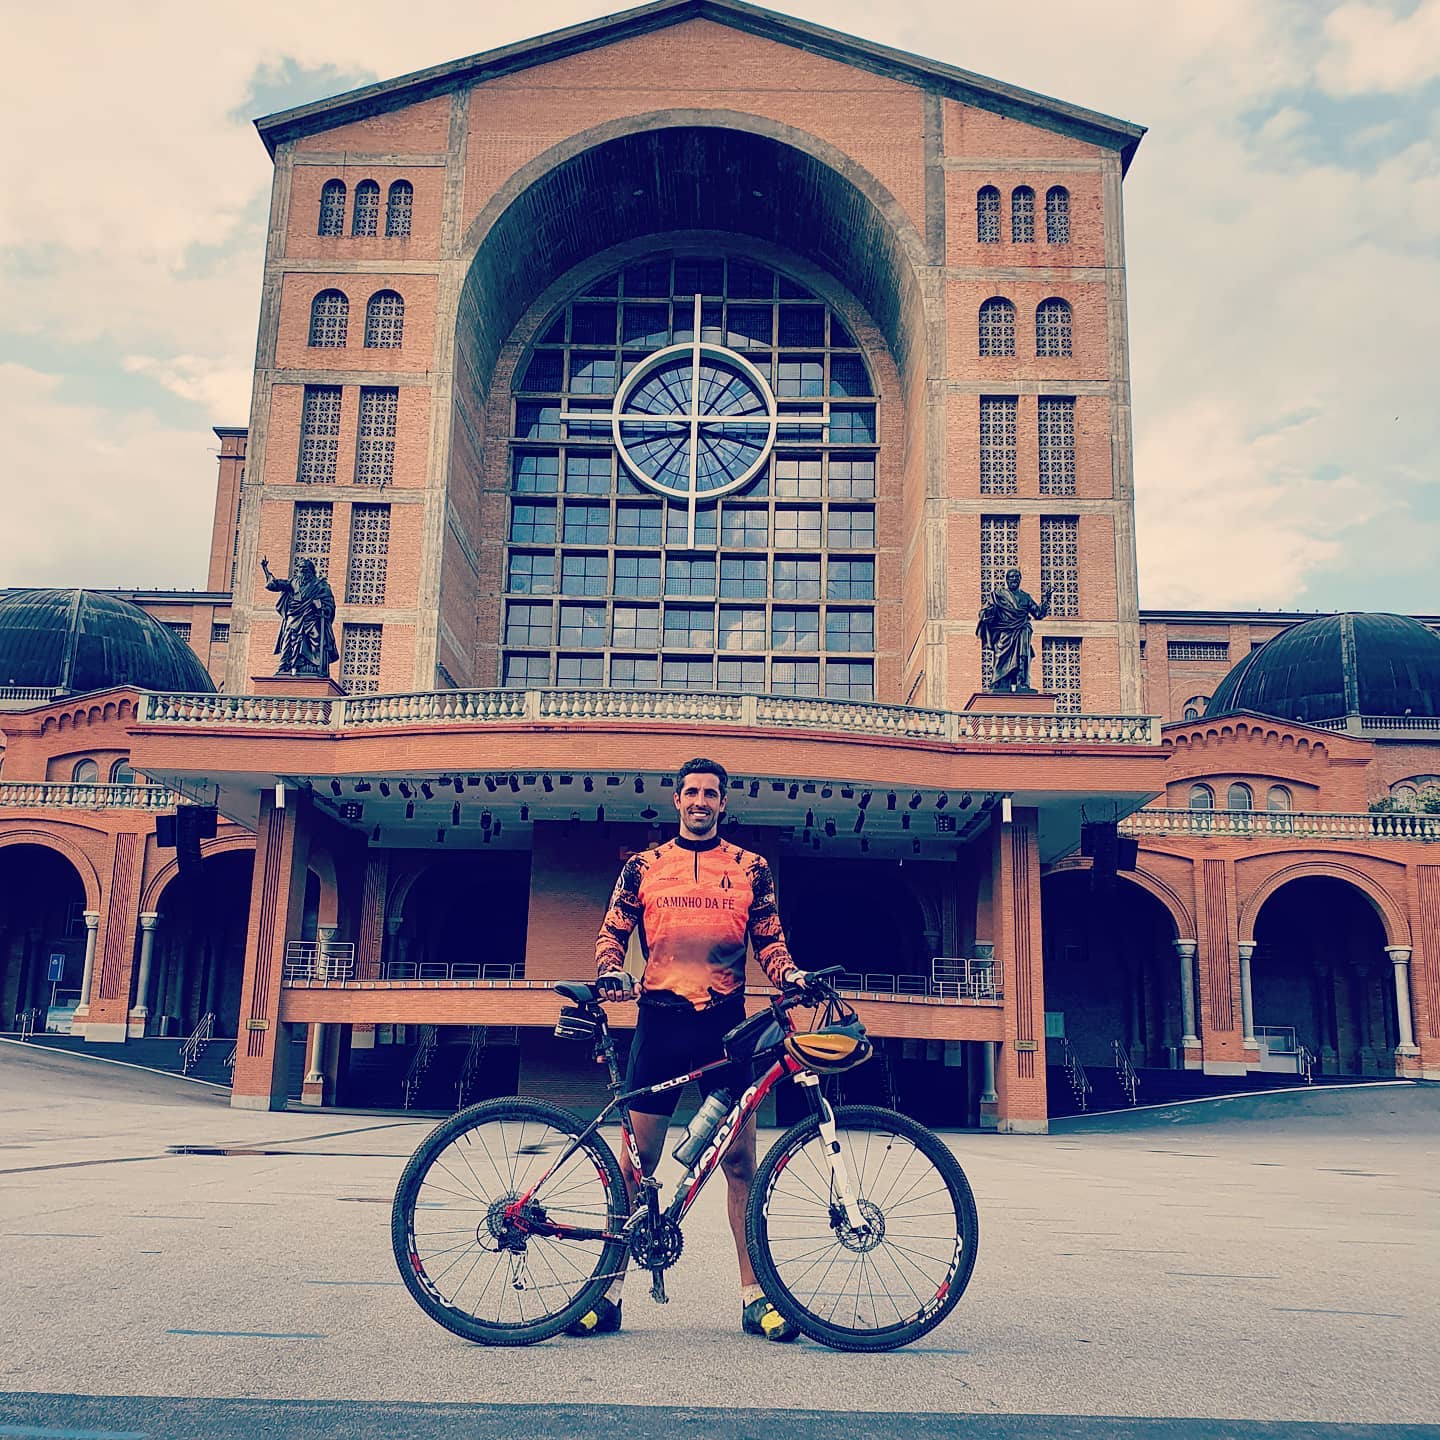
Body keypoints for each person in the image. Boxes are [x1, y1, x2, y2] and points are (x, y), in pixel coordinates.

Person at [569, 756, 812, 1342]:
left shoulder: (751, 868)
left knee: (740, 1164)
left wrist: (790, 976)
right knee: (636, 1165)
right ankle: (609, 1294)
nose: (701, 801)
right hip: (660, 1022)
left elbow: (770, 940)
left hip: (726, 1029)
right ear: (677, 800)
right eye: (692, 792)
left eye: (711, 794)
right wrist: (608, 971)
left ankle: (756, 1299)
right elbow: (613, 931)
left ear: (724, 803)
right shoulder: (643, 867)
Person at [261, 555, 339, 678]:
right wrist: (265, 569)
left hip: (311, 618)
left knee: (317, 639)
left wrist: (320, 606)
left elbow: (329, 604)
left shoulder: (320, 585)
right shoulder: (293, 582)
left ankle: (315, 665)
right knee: (287, 640)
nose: (302, 570)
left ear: (311, 570)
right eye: (300, 568)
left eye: (305, 568)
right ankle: (286, 665)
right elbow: (275, 585)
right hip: (294, 616)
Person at [976, 566, 1052, 693]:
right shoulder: (999, 595)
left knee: (1023, 656)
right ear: (1007, 580)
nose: (1014, 579)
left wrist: (1046, 600)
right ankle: (1001, 682)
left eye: (1017, 577)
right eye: (1011, 577)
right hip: (1005, 631)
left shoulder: (1025, 597)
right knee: (1001, 655)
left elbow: (1038, 614)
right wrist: (988, 612)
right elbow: (986, 612)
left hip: (1022, 629)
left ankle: (1022, 682)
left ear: (1020, 579)